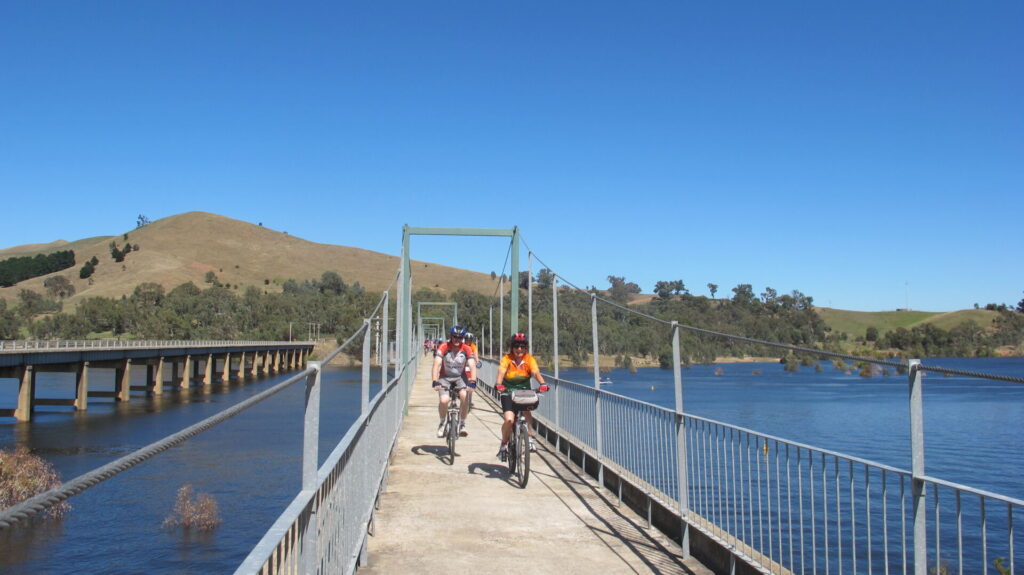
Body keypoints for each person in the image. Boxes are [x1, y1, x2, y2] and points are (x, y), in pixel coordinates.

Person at [495, 332, 548, 460]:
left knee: (527, 412)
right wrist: (498, 384)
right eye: (516, 346)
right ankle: (504, 444)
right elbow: (501, 372)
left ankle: (529, 437)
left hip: (524, 392)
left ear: (526, 348)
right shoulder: (506, 359)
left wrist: (542, 383)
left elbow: (535, 372)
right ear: (512, 347)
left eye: (522, 346)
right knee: (509, 420)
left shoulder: (529, 359)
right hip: (508, 391)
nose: (519, 349)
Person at [431, 325, 477, 438]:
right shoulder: (444, 347)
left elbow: (472, 365)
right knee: (444, 400)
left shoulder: (466, 349)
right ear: (451, 337)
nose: (457, 339)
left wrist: (473, 381)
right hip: (444, 377)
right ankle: (442, 422)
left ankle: (462, 423)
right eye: (455, 337)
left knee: (464, 396)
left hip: (460, 377)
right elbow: (436, 364)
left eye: (460, 337)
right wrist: (435, 380)